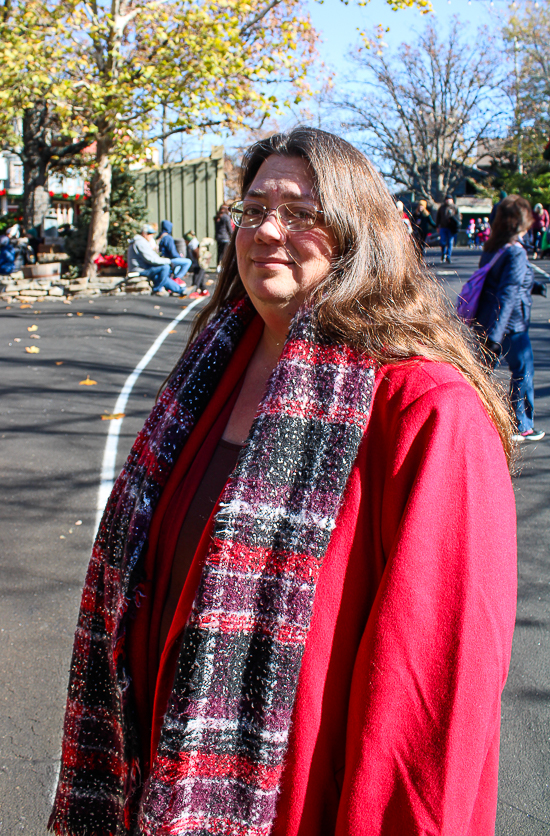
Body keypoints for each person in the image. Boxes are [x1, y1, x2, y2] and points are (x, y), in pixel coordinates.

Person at [50, 127, 517, 836]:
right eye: (254, 207)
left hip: (299, 807)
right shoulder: (206, 377)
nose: (268, 229)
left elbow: (432, 705)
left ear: (358, 235)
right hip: (154, 785)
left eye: (301, 212)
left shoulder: (426, 410)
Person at [475, 195, 545, 442]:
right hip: (510, 324)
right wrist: (495, 336)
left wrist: (533, 286)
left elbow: (502, 283)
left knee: (481, 374)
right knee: (523, 371)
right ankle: (521, 424)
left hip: (488, 321)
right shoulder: (516, 252)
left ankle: (471, 421)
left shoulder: (495, 247)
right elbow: (508, 292)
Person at [127, 224, 187, 296]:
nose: (151, 235)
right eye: (149, 233)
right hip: (139, 270)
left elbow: (152, 257)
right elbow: (150, 259)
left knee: (159, 276)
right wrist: (168, 261)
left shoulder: (142, 242)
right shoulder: (140, 242)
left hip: (144, 268)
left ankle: (180, 290)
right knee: (165, 267)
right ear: (144, 233)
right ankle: (157, 289)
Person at [157, 220, 192, 284]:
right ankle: (176, 278)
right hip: (168, 259)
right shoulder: (168, 238)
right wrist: (179, 256)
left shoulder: (159, 236)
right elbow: (173, 252)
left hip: (161, 258)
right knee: (187, 262)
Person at [435, 194, 461, 263]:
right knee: (442, 242)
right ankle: (443, 254)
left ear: (452, 200)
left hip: (451, 228)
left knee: (450, 242)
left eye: (449, 199)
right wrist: (437, 226)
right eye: (447, 199)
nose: (448, 201)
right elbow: (438, 217)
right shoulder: (442, 208)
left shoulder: (455, 207)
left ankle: (448, 256)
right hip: (443, 227)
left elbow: (459, 218)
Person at [184, 229, 209, 297]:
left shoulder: (193, 244)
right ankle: (204, 290)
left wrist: (197, 260)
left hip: (198, 263)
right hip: (199, 263)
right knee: (200, 276)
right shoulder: (194, 242)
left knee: (197, 276)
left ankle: (195, 290)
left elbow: (196, 253)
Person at [214, 203, 233, 269]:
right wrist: (232, 235)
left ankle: (218, 266)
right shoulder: (226, 217)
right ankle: (223, 267)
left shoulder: (217, 217)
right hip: (225, 238)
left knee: (219, 253)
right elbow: (229, 228)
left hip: (218, 238)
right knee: (225, 253)